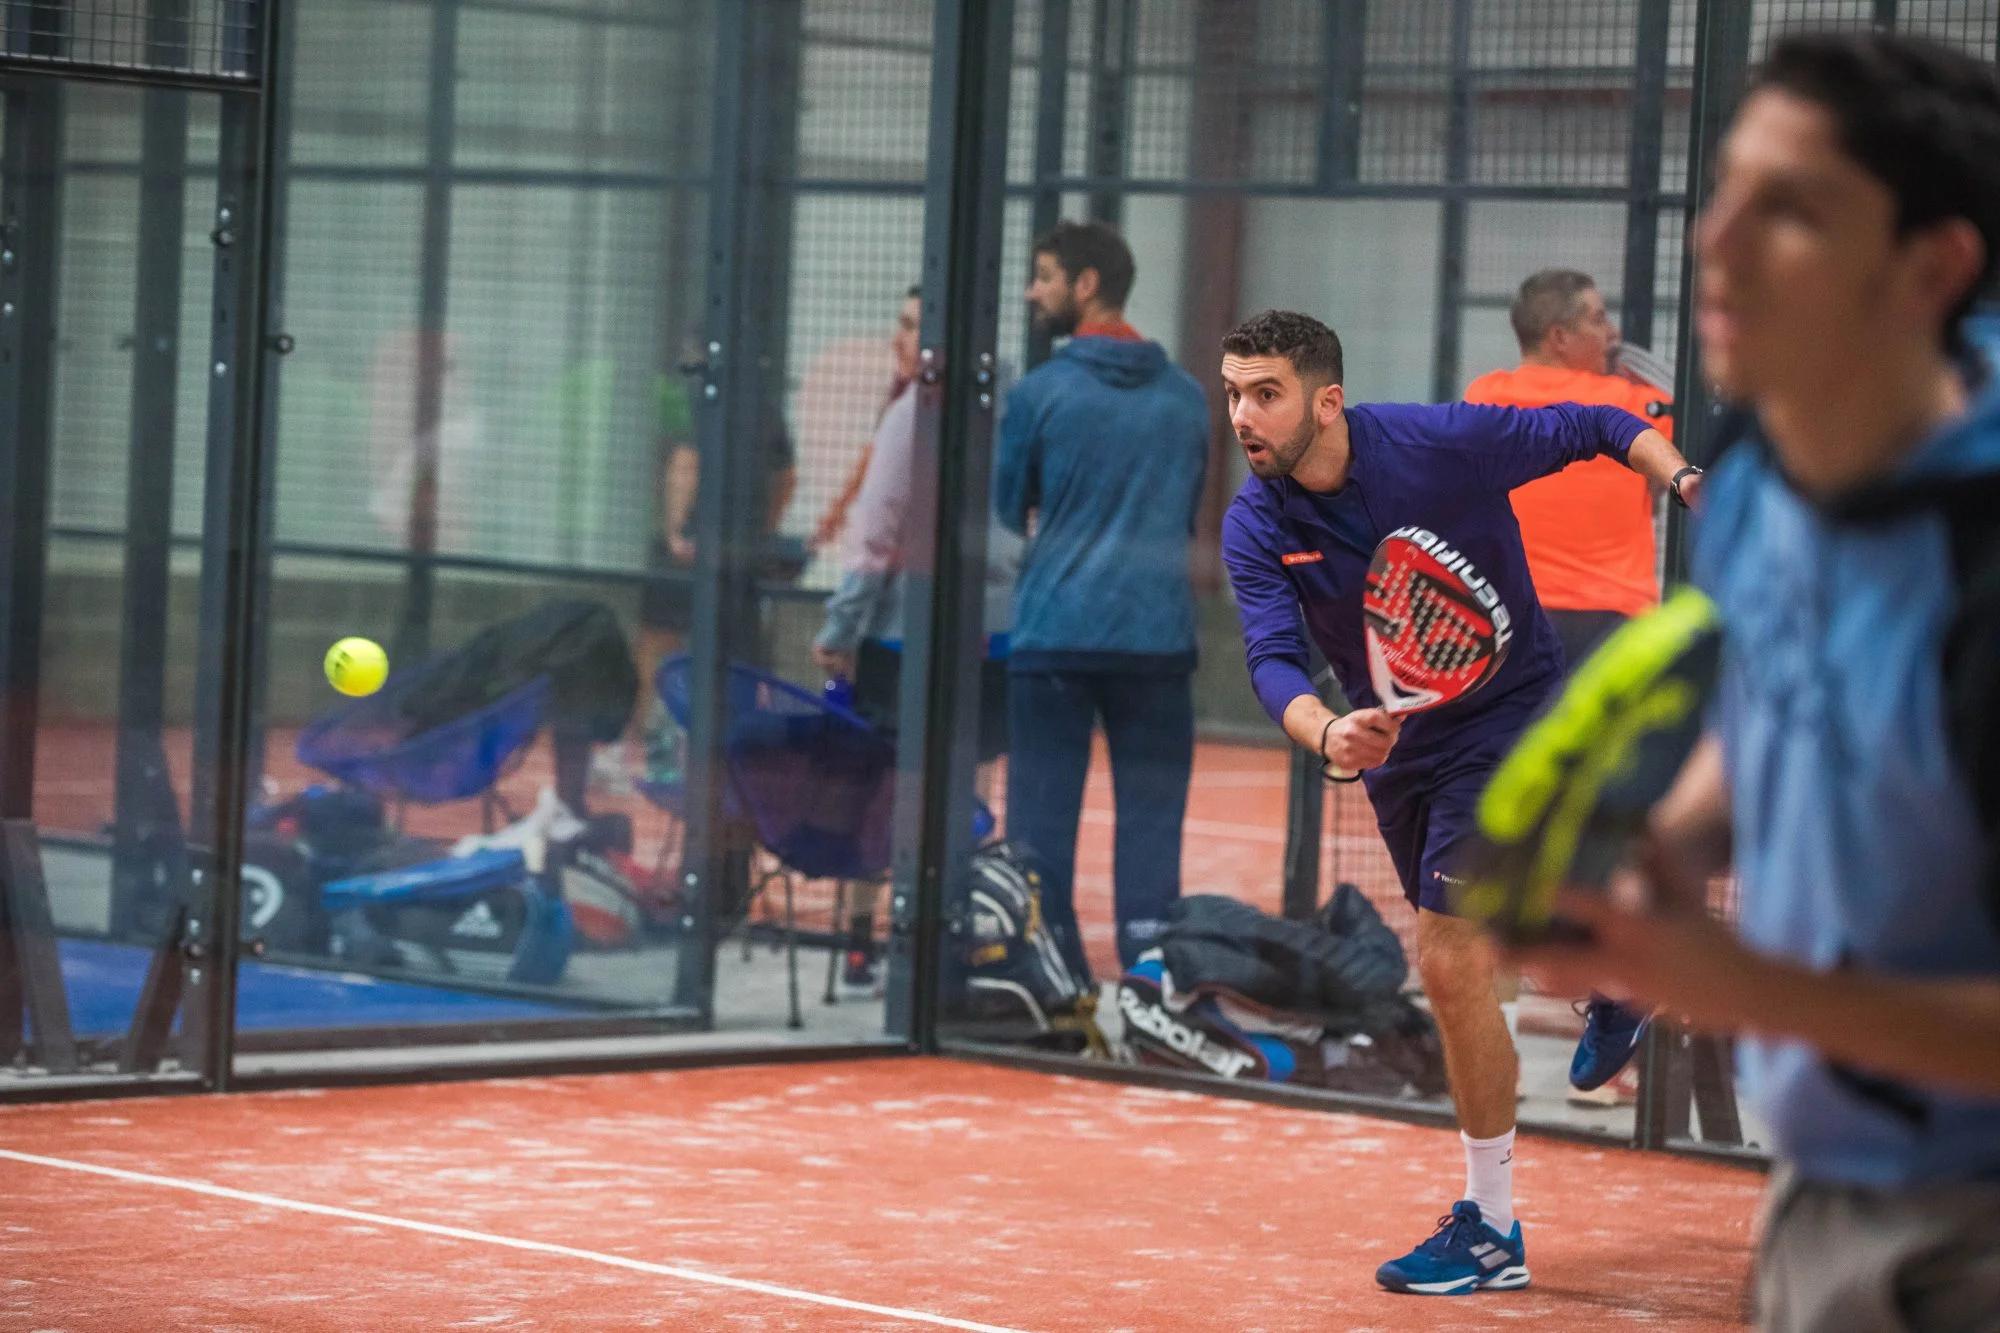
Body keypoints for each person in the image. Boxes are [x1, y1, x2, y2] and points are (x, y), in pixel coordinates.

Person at [1507, 32, 2000, 1331]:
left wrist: (1742, 990)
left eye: (1792, 209)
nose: (1715, 244)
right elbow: (1779, 685)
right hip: (1833, 1194)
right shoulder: (1771, 472)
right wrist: (1656, 839)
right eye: (1724, 191)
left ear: (1934, 266)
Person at [1217, 308, 1696, 1296]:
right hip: (1395, 747)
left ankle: (1489, 1226)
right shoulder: (1255, 520)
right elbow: (1270, 656)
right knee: (1489, 941)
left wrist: (1681, 476)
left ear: (1325, 398)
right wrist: (1323, 730)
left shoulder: (1436, 444)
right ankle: (1612, 963)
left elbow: (1595, 428)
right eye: (1230, 393)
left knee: (1446, 956)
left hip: (1508, 717)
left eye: (1262, 393)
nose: (1241, 415)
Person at [1463, 269, 1685, 1103]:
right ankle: (1605, 994)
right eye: (1595, 317)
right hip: (1570, 634)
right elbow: (1676, 459)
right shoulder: (1638, 404)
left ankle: (1562, 1024)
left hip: (1552, 634)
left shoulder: (1488, 394)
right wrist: (1655, 384)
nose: (1610, 327)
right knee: (1577, 826)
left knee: (1522, 827)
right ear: (1558, 335)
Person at [993, 220, 1210, 981]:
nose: (1032, 290)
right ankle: (1152, 974)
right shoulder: (1187, 399)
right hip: (1158, 638)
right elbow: (1185, 512)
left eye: (1045, 275)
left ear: (1086, 285)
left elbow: (1006, 504)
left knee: (1040, 824)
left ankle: (1048, 972)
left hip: (1055, 633)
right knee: (1153, 823)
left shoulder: (1038, 394)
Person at [810, 286, 1021, 991]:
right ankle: (955, 931)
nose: (901, 338)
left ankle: (872, 941)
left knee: (889, 786)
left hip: (907, 638)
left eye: (913, 327)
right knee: (971, 784)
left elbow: (874, 538)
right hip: (995, 629)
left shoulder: (911, 412)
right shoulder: (1007, 406)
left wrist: (842, 627)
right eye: (899, 323)